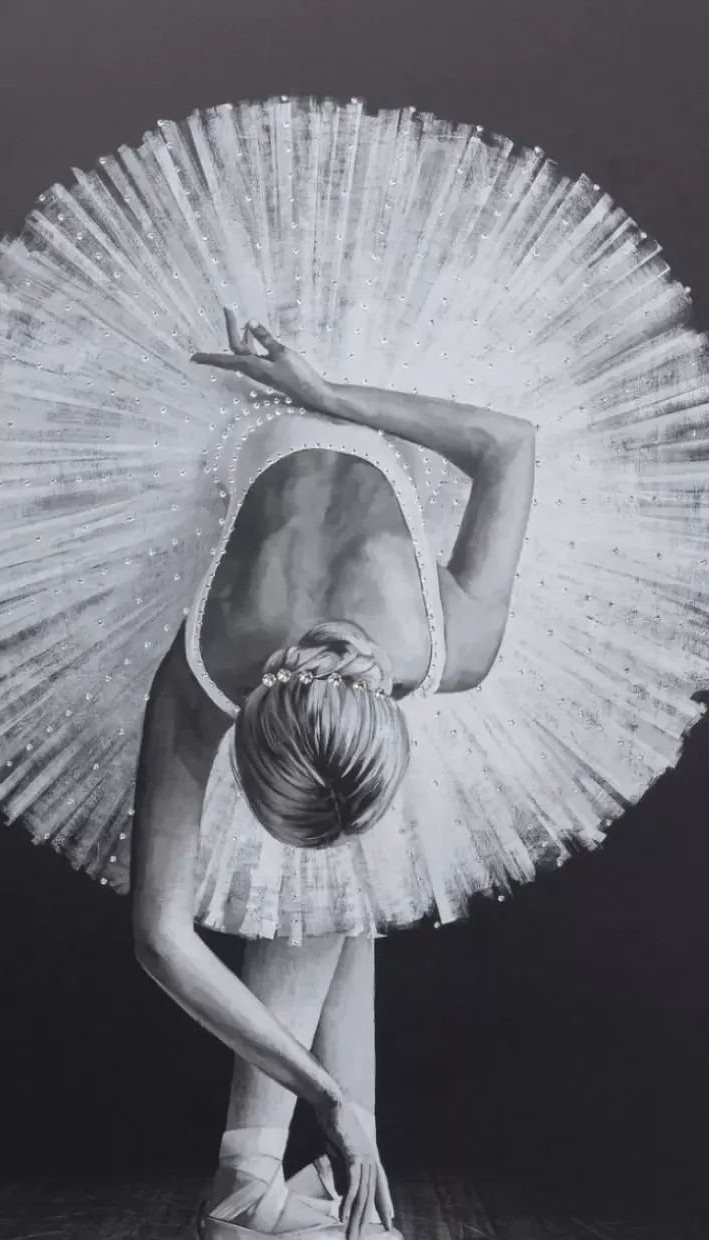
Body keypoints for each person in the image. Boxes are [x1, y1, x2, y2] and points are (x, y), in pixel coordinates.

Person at [130, 308, 536, 1240]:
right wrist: (327, 1096)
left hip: (350, 375)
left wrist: (323, 394)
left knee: (328, 873)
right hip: (222, 436)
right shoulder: (206, 667)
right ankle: (264, 1182)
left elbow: (510, 440)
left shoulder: (446, 642)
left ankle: (264, 1181)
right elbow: (156, 939)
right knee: (318, 879)